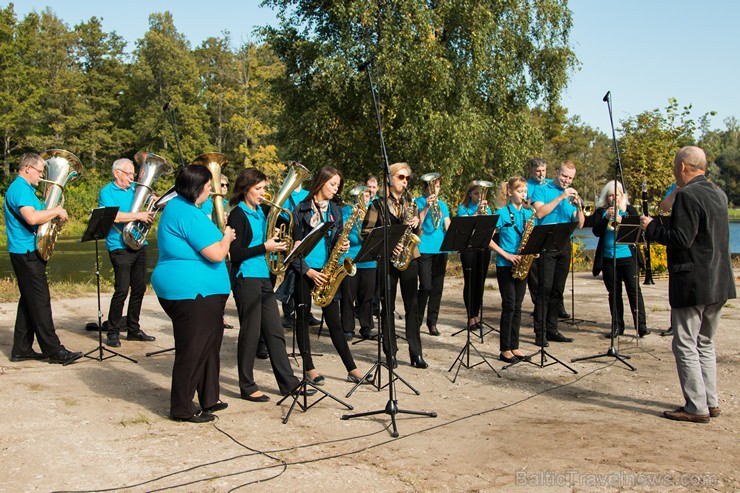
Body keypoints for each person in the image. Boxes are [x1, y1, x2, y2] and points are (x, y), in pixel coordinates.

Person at [641, 146, 736, 424]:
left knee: (684, 343)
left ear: (682, 167)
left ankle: (696, 407)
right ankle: (711, 401)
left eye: (674, 165)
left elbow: (682, 238)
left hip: (694, 281)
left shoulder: (686, 195)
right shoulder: (718, 193)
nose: (673, 169)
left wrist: (651, 227)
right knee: (705, 342)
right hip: (719, 280)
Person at [151, 164, 236, 423]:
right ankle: (182, 408)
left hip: (200, 292)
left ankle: (209, 396)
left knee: (209, 344)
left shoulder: (184, 208)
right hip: (191, 292)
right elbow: (216, 253)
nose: (211, 192)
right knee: (193, 349)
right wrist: (228, 237)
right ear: (197, 188)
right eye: (209, 187)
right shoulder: (187, 213)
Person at [227, 168, 309, 402]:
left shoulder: (263, 210)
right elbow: (235, 253)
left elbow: (292, 226)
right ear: (245, 190)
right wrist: (266, 247)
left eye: (264, 188)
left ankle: (289, 383)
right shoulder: (237, 215)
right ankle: (247, 385)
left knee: (275, 332)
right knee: (251, 333)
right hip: (246, 277)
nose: (263, 194)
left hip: (264, 277)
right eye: (258, 189)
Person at [291, 166, 372, 384]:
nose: (336, 189)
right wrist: (308, 271)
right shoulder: (300, 209)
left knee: (334, 322)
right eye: (332, 184)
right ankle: (309, 368)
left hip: (327, 271)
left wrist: (342, 244)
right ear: (320, 182)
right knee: (303, 319)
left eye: (338, 185)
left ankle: (352, 368)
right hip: (305, 271)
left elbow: (336, 240)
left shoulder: (335, 210)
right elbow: (293, 249)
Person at [4, 153, 81, 364]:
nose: (41, 176)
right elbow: (31, 218)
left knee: (29, 300)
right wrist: (55, 210)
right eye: (39, 172)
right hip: (25, 252)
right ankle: (54, 351)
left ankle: (21, 348)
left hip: (26, 251)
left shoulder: (25, 189)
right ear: (27, 168)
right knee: (40, 301)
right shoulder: (20, 188)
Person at [361, 163, 426, 369]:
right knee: (387, 307)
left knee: (413, 306)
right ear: (389, 179)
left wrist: (417, 224)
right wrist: (388, 246)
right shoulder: (377, 205)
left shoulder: (411, 203)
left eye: (407, 178)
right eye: (401, 177)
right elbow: (366, 233)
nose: (405, 182)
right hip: (386, 261)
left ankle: (416, 351)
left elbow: (419, 234)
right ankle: (391, 352)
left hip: (409, 257)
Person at [98, 158, 157, 348]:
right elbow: (113, 216)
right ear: (117, 173)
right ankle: (113, 332)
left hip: (139, 243)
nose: (133, 178)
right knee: (122, 290)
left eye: (133, 174)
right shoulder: (107, 192)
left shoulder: (135, 190)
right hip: (119, 245)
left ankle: (133, 329)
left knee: (139, 289)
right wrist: (138, 216)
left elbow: (152, 206)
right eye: (129, 174)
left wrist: (155, 202)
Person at [531, 161, 584, 346]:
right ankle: (540, 331)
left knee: (557, 290)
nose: (566, 180)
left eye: (570, 178)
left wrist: (578, 207)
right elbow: (539, 213)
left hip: (564, 245)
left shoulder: (572, 196)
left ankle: (552, 328)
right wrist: (561, 197)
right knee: (544, 289)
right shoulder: (542, 190)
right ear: (556, 172)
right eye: (564, 176)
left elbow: (580, 224)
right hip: (546, 244)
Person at [591, 181, 649, 339]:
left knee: (634, 291)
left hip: (628, 257)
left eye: (616, 194)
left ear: (622, 196)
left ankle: (641, 325)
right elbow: (596, 231)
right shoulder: (601, 211)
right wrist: (606, 218)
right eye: (610, 195)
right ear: (606, 197)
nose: (613, 198)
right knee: (614, 293)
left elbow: (638, 230)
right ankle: (617, 325)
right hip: (609, 257)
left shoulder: (629, 210)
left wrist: (621, 220)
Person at [490, 177, 533, 363]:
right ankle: (504, 349)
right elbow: (488, 239)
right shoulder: (501, 213)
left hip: (521, 264)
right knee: (508, 306)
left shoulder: (527, 214)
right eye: (519, 191)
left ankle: (515, 346)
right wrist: (506, 255)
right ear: (509, 192)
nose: (523, 194)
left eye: (525, 191)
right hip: (505, 265)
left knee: (518, 307)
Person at [525, 158, 568, 319]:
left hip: (552, 233)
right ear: (531, 171)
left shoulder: (551, 184)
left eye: (543, 170)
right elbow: (525, 204)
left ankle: (558, 307)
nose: (541, 174)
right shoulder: (527, 185)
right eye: (537, 171)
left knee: (556, 279)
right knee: (536, 274)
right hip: (534, 230)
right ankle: (539, 306)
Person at [340, 186, 377, 341]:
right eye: (362, 195)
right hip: (350, 258)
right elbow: (342, 231)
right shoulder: (346, 211)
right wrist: (354, 217)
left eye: (367, 195)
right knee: (348, 295)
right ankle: (347, 328)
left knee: (367, 296)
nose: (365, 198)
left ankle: (366, 327)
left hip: (369, 259)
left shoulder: (374, 210)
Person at [415, 173, 451, 336]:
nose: (435, 190)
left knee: (437, 288)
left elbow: (447, 225)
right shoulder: (418, 202)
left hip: (441, 249)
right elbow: (417, 223)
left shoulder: (443, 204)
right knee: (425, 286)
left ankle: (432, 322)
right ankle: (417, 319)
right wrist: (426, 207)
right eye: (431, 186)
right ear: (424, 187)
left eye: (437, 186)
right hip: (424, 248)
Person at [457, 181, 493, 330]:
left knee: (480, 282)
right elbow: (465, 227)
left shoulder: (488, 208)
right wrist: (476, 213)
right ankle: (470, 316)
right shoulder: (463, 208)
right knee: (470, 282)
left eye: (481, 193)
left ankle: (476, 314)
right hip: (468, 249)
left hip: (483, 248)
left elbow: (490, 228)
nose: (479, 196)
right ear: (470, 194)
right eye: (476, 193)